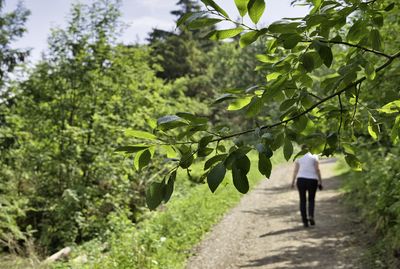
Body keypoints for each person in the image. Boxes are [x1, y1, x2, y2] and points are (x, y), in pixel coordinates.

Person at [291, 148, 322, 227]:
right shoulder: (314, 156)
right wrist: (320, 181)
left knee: (302, 200)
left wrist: (293, 181)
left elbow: (296, 170)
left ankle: (304, 220)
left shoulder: (299, 156)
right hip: (312, 180)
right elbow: (317, 169)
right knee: (311, 200)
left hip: (301, 180)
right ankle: (311, 216)